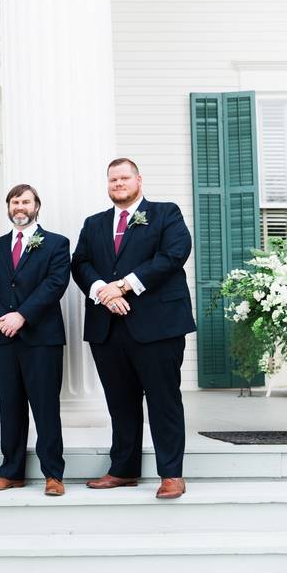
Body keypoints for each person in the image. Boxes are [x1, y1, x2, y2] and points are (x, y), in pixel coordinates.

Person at [71, 158, 196, 500]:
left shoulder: (165, 213)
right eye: (113, 179)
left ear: (139, 179)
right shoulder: (94, 223)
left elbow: (174, 255)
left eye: (124, 177)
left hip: (158, 325)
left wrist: (124, 285)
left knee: (163, 399)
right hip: (107, 325)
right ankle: (123, 470)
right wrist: (103, 292)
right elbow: (79, 263)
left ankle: (171, 473)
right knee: (120, 402)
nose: (118, 183)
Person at [0, 184, 70, 496]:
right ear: (8, 207)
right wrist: (3, 318)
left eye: (26, 202)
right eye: (15, 202)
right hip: (5, 337)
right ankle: (11, 471)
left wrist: (23, 316)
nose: (20, 207)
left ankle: (53, 474)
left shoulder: (57, 244)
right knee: (11, 406)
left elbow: (55, 284)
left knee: (45, 406)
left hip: (42, 337)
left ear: (36, 206)